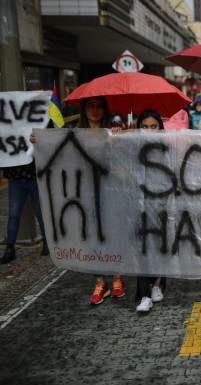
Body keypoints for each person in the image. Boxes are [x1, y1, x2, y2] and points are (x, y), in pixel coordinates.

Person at [30, 96, 125, 304]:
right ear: (84, 109)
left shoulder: (115, 128)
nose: (95, 110)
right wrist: (40, 143)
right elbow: (58, 154)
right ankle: (100, 281)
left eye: (99, 106)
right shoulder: (73, 131)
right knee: (89, 237)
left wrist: (115, 140)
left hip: (111, 192)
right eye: (90, 106)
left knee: (113, 233)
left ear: (105, 109)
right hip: (82, 194)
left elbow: (123, 161)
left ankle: (118, 276)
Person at [133, 109, 167, 312]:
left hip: (161, 203)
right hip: (138, 204)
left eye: (153, 126)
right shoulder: (129, 145)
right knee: (141, 247)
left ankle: (157, 285)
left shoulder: (167, 146)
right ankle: (144, 294)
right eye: (144, 126)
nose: (148, 130)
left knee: (160, 244)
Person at [0, 161, 49, 264]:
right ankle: (10, 248)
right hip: (18, 179)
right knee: (14, 215)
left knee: (39, 212)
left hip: (30, 178)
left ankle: (47, 242)